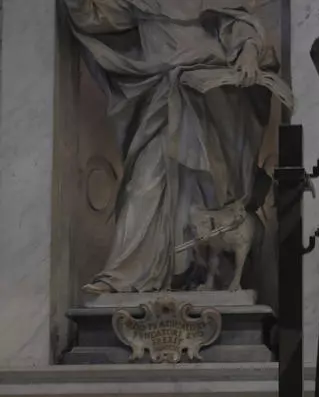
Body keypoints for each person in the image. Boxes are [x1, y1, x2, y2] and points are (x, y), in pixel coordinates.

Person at [63, 0, 292, 292]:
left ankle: (206, 275)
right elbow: (95, 16)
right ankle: (127, 277)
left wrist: (248, 51)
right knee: (143, 184)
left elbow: (237, 20)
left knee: (204, 189)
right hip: (160, 96)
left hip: (206, 97)